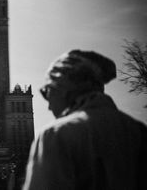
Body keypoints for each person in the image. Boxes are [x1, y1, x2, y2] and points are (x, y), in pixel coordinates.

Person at [23, 50, 147, 190]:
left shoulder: (56, 135)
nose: (49, 106)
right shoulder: (139, 131)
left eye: (46, 92)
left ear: (64, 88)